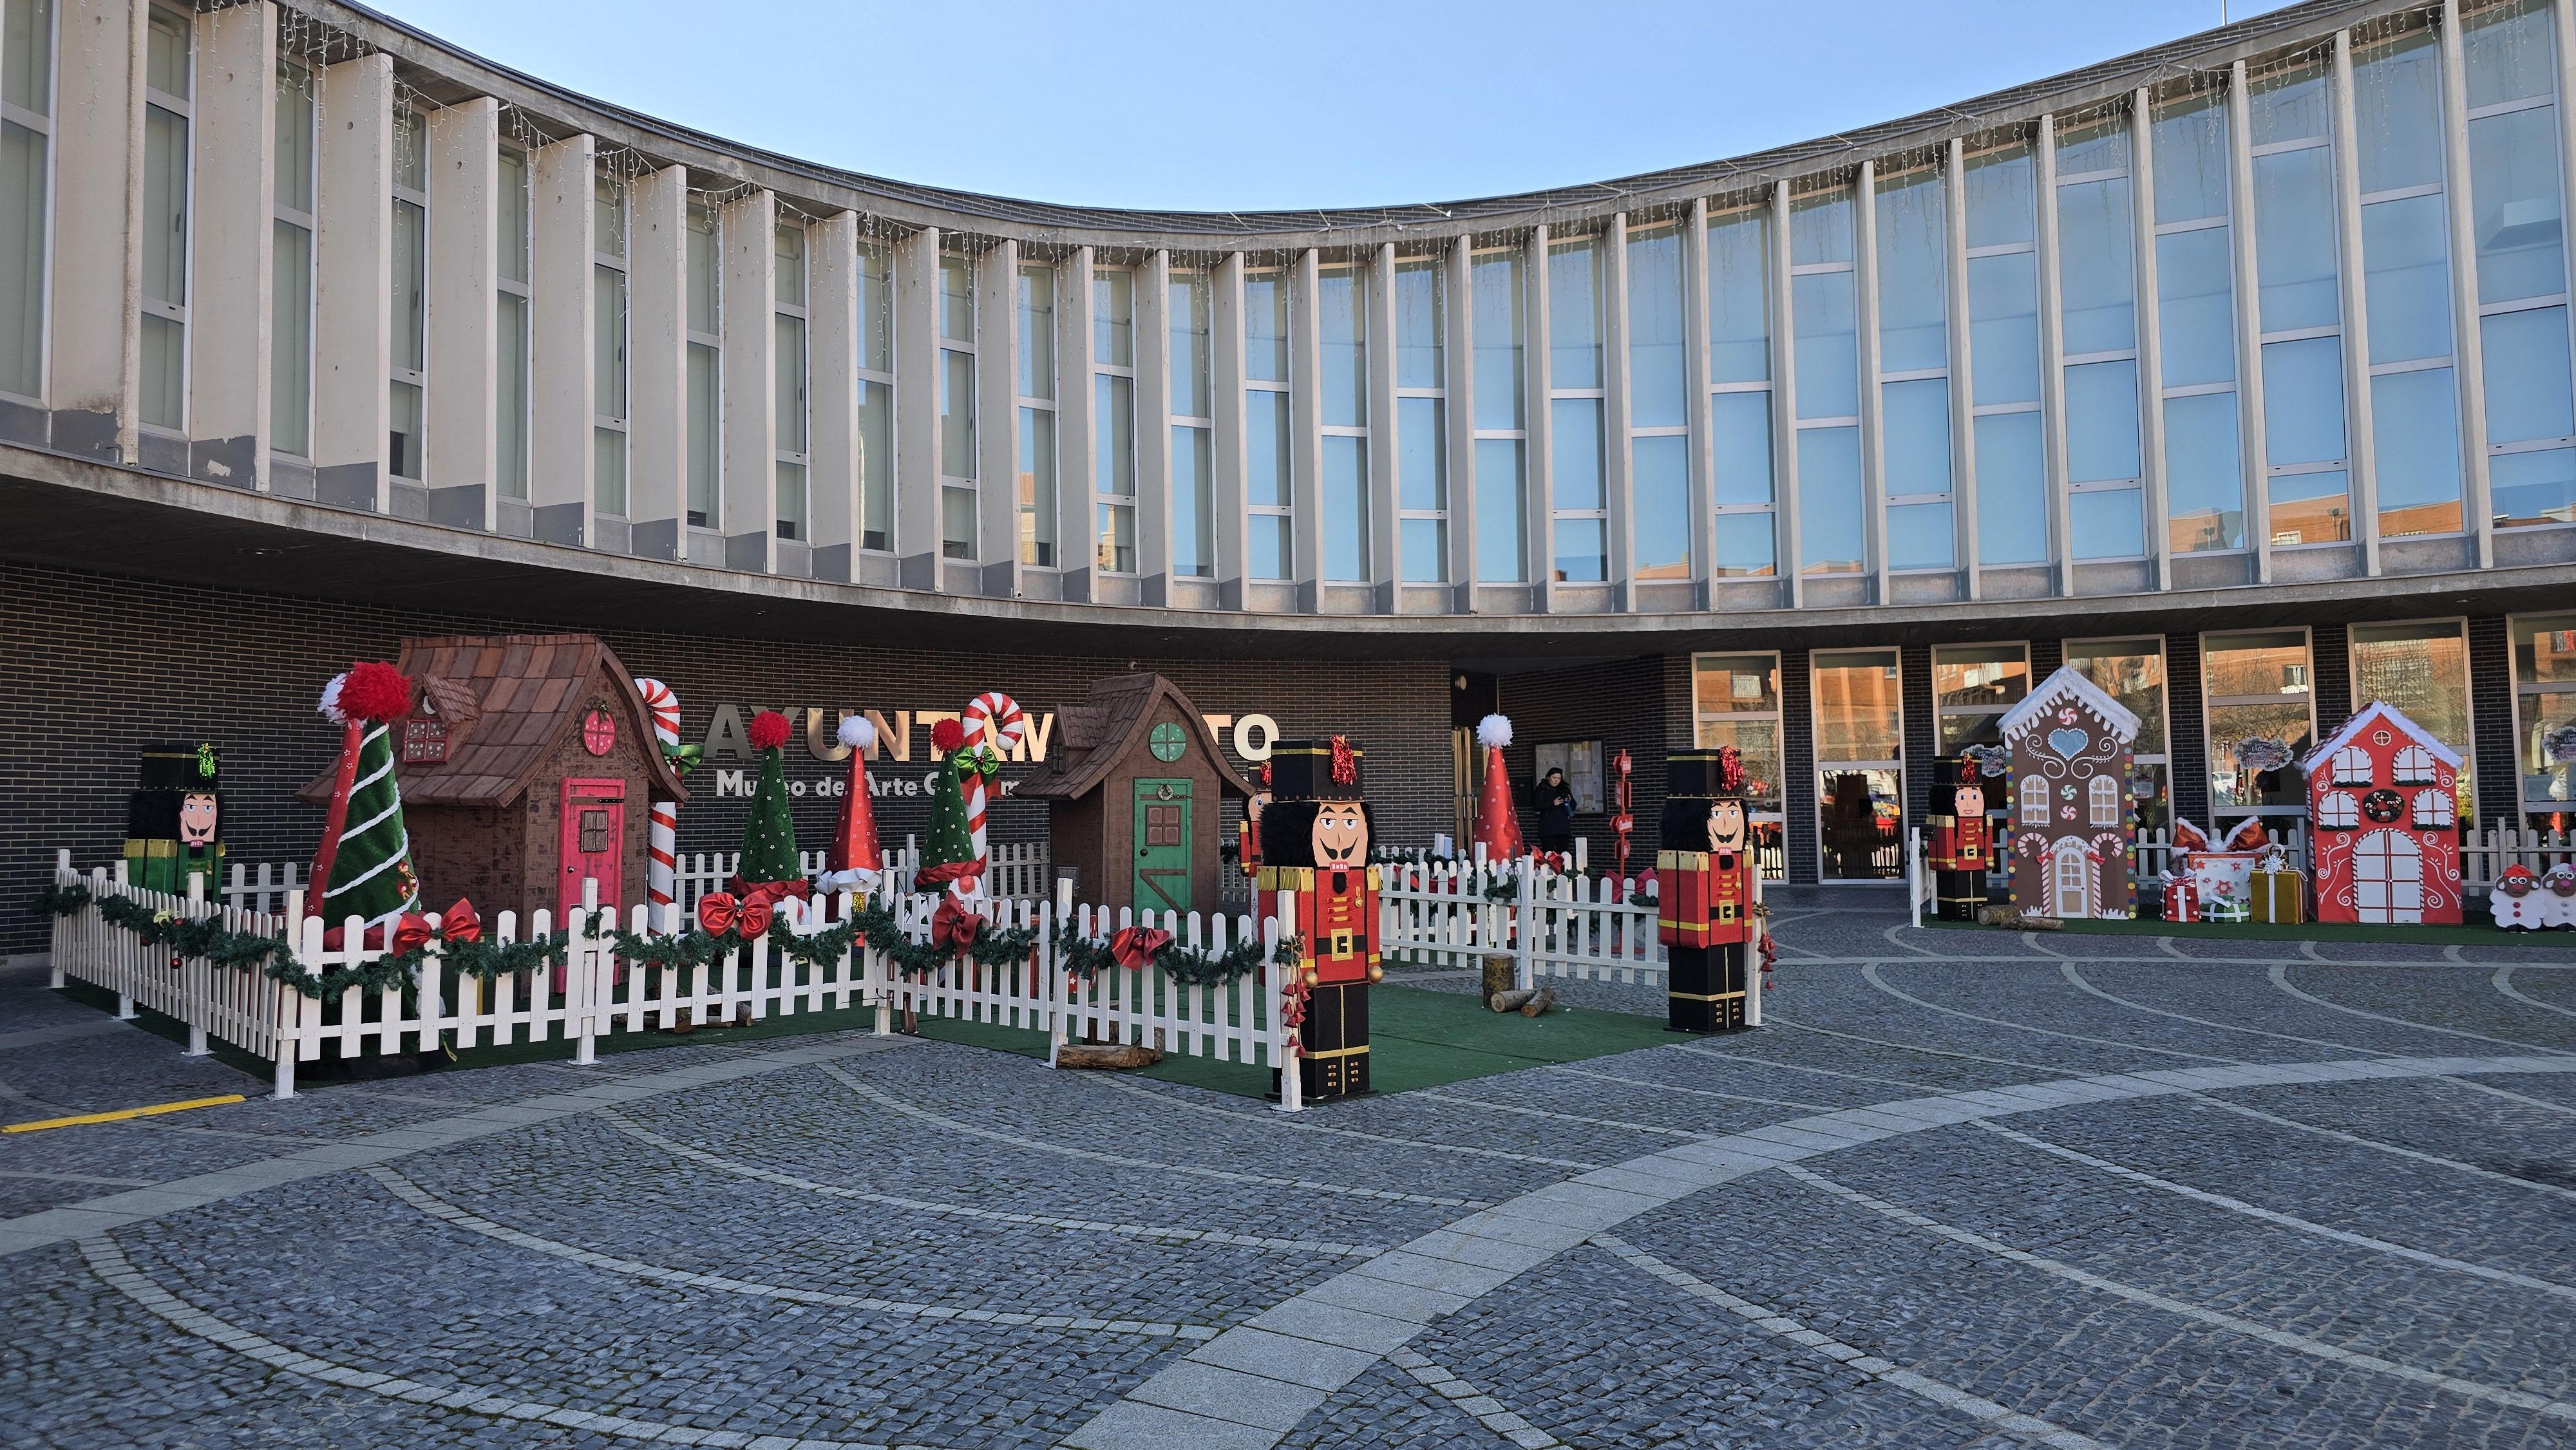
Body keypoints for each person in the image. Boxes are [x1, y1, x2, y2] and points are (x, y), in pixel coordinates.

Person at [1537, 766, 1577, 854]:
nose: (1556, 781)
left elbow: (1574, 805)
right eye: (1554, 778)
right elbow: (1537, 805)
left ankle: (1563, 868)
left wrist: (1569, 802)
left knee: (1563, 852)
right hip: (1548, 827)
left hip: (1563, 827)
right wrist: (1553, 804)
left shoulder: (1564, 789)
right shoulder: (1542, 788)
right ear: (1548, 777)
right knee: (1549, 852)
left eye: (1559, 778)